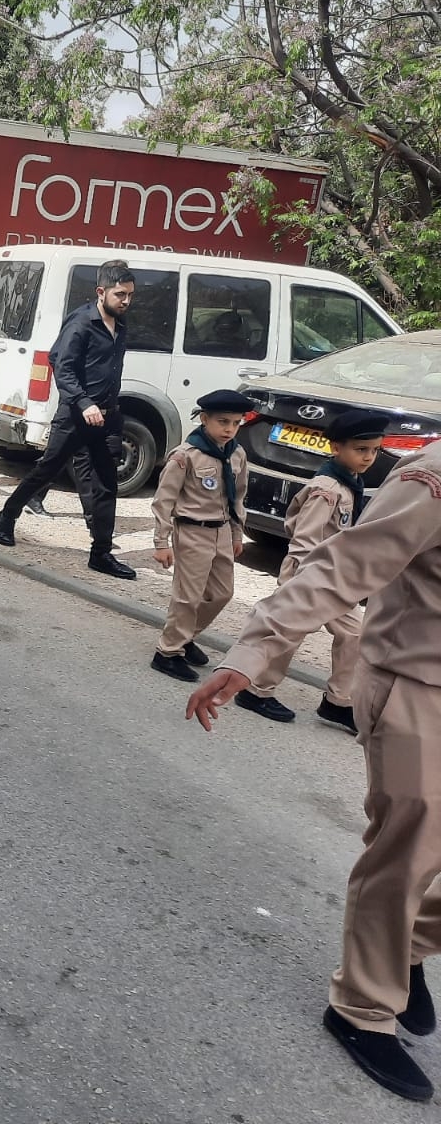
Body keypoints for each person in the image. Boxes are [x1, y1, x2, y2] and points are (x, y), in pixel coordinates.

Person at [186, 442, 441, 1104]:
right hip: (417, 688)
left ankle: (404, 945)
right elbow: (341, 567)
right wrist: (253, 650)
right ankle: (361, 1009)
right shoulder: (432, 478)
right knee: (407, 856)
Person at [235, 410, 390, 730]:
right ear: (336, 448)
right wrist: (298, 585)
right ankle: (255, 691)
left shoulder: (350, 483)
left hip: (336, 576)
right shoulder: (328, 489)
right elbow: (304, 538)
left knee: (355, 634)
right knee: (288, 633)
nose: (369, 457)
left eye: (375, 450)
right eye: (361, 450)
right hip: (309, 572)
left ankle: (338, 701)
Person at [0, 260, 137, 580]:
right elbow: (61, 363)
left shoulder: (122, 325)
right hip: (76, 416)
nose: (126, 301)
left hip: (108, 418)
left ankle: (100, 553)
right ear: (101, 292)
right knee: (47, 469)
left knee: (106, 484)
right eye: (120, 295)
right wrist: (85, 403)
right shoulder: (82, 323)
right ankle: (8, 514)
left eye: (130, 295)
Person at [148, 390, 252, 683]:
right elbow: (164, 500)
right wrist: (161, 542)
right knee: (187, 596)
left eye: (236, 422)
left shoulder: (237, 454)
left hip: (221, 531)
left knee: (222, 593)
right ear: (204, 419)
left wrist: (236, 534)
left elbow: (238, 498)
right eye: (222, 422)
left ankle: (185, 636)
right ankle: (167, 653)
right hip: (192, 531)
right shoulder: (185, 456)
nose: (229, 429)